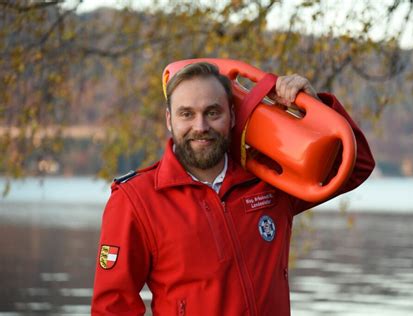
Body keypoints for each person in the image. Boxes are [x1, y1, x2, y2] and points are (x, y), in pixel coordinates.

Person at [91, 62, 375, 315]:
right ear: (169, 120)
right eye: (186, 114)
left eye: (212, 112)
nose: (200, 126)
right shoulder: (136, 199)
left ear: (233, 116)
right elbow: (112, 308)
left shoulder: (270, 181)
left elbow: (356, 165)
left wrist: (315, 111)